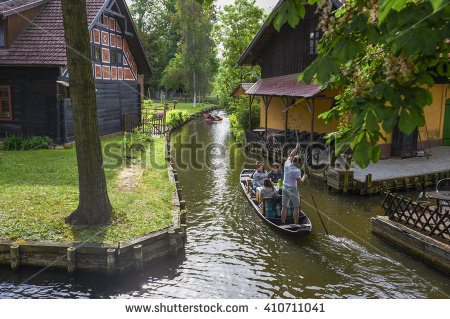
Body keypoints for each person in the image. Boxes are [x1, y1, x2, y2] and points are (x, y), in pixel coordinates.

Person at [281, 143, 307, 225]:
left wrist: (296, 148)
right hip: (292, 189)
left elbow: (291, 155)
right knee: (296, 208)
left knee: (284, 206)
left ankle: (283, 222)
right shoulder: (297, 171)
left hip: (284, 187)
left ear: (292, 160)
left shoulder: (286, 164)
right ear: (299, 164)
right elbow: (299, 182)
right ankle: (296, 224)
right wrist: (304, 177)